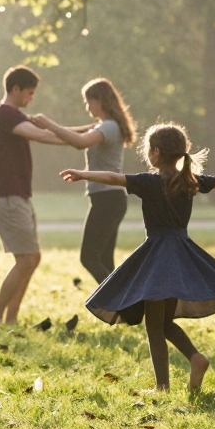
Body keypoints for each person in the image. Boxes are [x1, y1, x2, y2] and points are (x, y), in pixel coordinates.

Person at [59, 122, 215, 392]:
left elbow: (114, 178)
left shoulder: (149, 182)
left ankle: (163, 384)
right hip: (181, 254)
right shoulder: (190, 180)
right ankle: (195, 358)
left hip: (157, 257)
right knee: (163, 322)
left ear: (154, 152)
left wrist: (83, 174)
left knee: (155, 325)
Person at [31, 78, 137, 284]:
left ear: (100, 101)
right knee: (104, 259)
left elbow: (79, 142)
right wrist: (39, 132)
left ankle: (121, 303)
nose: (87, 106)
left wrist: (48, 123)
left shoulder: (108, 127)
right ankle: (120, 308)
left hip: (108, 199)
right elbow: (69, 136)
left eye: (88, 101)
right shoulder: (105, 126)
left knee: (89, 258)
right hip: (107, 199)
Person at [0, 66, 65, 325]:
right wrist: (86, 138)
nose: (31, 99)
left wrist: (95, 129)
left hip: (18, 195)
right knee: (26, 259)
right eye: (29, 93)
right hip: (6, 196)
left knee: (33, 258)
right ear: (15, 89)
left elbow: (55, 132)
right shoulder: (4, 115)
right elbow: (44, 135)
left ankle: (11, 318)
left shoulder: (14, 115)